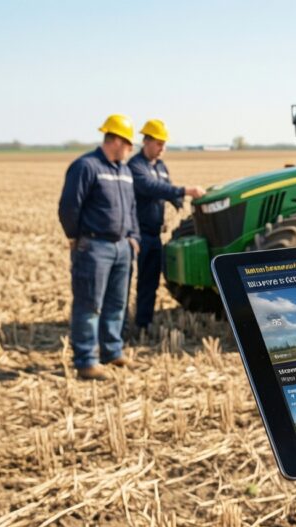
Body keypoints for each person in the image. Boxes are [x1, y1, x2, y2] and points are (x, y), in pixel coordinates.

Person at [58, 114, 140, 380]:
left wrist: (133, 237)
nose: (131, 149)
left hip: (122, 247)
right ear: (115, 140)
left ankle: (112, 351)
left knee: (117, 304)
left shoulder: (124, 171)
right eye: (129, 143)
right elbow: (69, 206)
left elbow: (131, 208)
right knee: (89, 305)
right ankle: (86, 361)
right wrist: (74, 236)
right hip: (94, 247)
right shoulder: (86, 166)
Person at [128, 119, 205, 333]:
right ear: (146, 141)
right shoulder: (136, 166)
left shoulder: (161, 167)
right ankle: (127, 325)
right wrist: (185, 191)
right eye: (159, 144)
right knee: (128, 282)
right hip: (137, 234)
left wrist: (179, 202)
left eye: (164, 144)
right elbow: (151, 187)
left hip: (154, 234)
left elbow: (166, 188)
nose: (162, 148)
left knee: (150, 281)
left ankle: (144, 322)